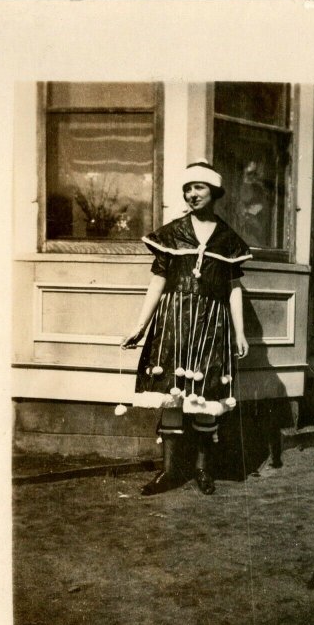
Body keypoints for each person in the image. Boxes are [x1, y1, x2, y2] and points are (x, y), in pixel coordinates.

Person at [121, 161, 251, 495]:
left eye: (199, 188)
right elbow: (158, 281)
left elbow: (233, 288)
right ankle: (167, 473)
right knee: (172, 398)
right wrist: (140, 325)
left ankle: (202, 471)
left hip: (210, 325)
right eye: (187, 188)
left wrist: (239, 331)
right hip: (174, 322)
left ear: (214, 192)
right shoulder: (172, 233)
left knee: (206, 398)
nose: (192, 194)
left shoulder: (228, 239)